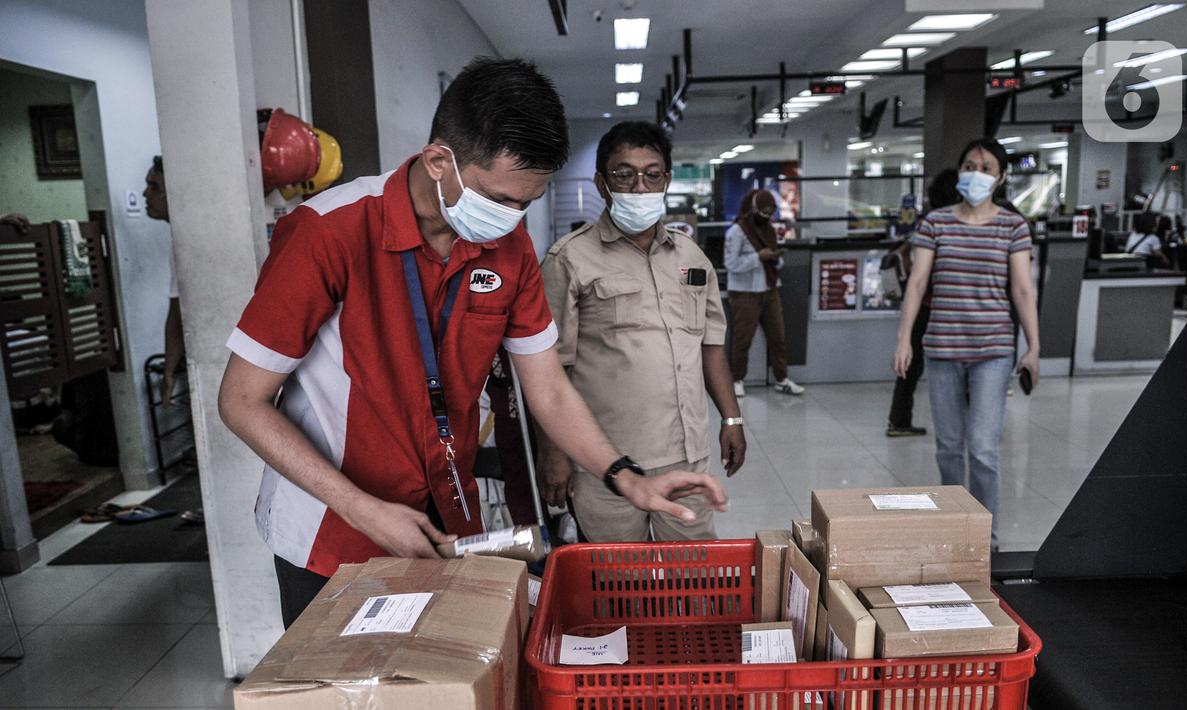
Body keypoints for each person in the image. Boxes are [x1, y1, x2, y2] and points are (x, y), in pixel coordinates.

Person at [217, 58, 728, 628]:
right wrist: (361, 509)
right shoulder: (327, 232)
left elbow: (548, 389)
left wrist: (626, 476)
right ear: (440, 160)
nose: (511, 220)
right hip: (331, 529)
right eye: (498, 199)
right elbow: (241, 401)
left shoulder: (509, 252)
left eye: (526, 204)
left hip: (447, 519)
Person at [538, 121, 745, 542]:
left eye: (653, 174)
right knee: (617, 585)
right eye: (624, 174)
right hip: (607, 463)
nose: (639, 186)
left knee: (691, 579)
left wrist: (732, 416)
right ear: (601, 183)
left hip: (687, 457)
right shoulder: (569, 260)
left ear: (667, 180)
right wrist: (555, 453)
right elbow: (549, 371)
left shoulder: (692, 258)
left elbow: (711, 346)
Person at [892, 137, 1040, 545]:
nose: (977, 173)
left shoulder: (1013, 226)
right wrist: (904, 338)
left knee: (983, 449)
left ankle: (986, 535)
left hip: (993, 349)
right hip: (942, 348)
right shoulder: (935, 222)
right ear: (960, 172)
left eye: (987, 168)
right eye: (970, 165)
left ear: (1002, 177)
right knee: (949, 448)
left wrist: (1034, 346)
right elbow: (917, 283)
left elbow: (1023, 290)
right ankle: (955, 527)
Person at [885, 169, 960, 437]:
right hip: (943, 308)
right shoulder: (950, 224)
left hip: (923, 307)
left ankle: (899, 420)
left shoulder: (927, 223)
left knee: (911, 367)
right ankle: (960, 424)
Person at [725, 189, 806, 397]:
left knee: (778, 337)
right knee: (743, 339)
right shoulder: (737, 232)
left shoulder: (769, 229)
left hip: (769, 290)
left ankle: (782, 379)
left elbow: (776, 260)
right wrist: (757, 258)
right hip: (745, 292)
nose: (767, 216)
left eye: (771, 212)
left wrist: (775, 258)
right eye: (764, 211)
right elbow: (730, 263)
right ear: (754, 209)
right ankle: (736, 379)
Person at [143, 156, 186, 405]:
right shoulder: (181, 237)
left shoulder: (185, 241)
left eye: (154, 187)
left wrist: (168, 373)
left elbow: (178, 315)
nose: (145, 193)